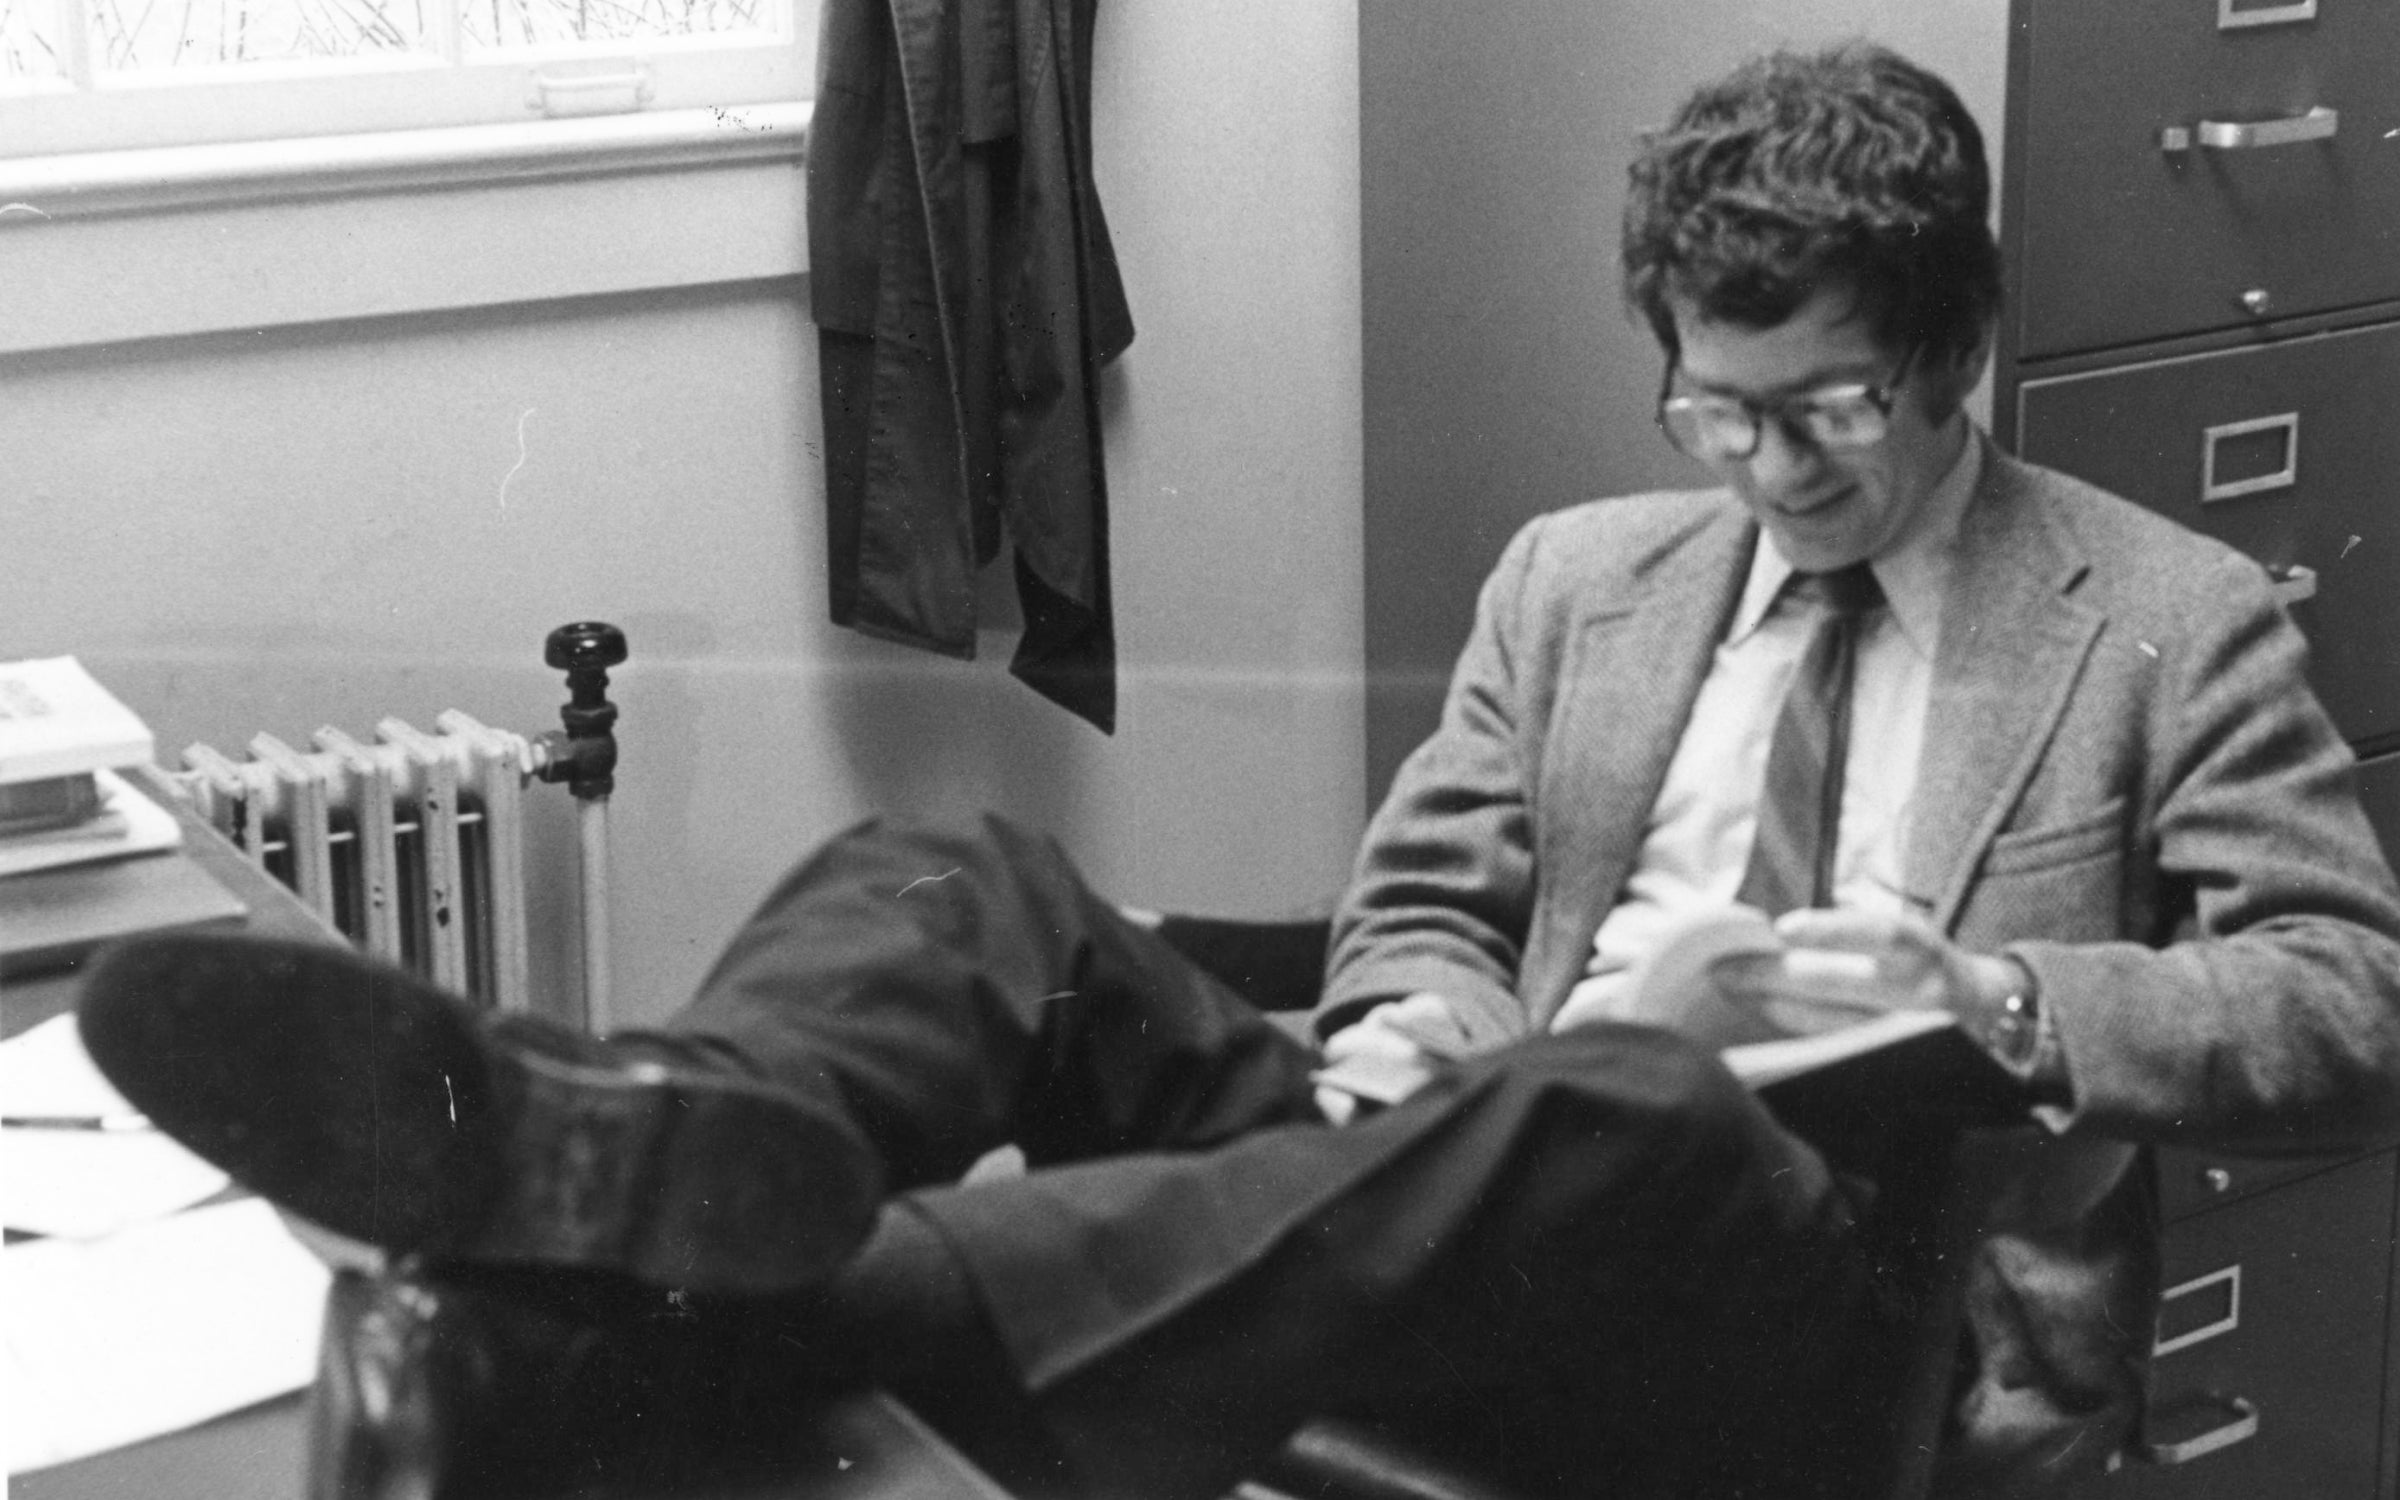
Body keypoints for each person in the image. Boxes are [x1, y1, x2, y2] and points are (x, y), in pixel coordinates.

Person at [79, 41, 2400, 1500]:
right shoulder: (1585, 576)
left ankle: (736, 1303)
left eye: (1835, 411)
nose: (1770, 470)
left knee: (1647, 1102)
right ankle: (652, 1155)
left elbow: (2346, 1002)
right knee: (955, 870)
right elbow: (1424, 905)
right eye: (1716, 406)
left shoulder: (2157, 611)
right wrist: (1424, 1019)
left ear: (1957, 348)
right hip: (1471, 1165)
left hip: (1798, 1304)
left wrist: (1991, 1004)